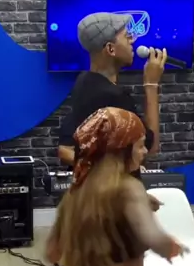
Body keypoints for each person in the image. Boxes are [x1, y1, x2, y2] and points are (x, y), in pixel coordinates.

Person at [46, 106, 187, 266]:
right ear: (121, 149)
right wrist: (171, 247)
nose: (144, 152)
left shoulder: (78, 191)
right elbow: (152, 237)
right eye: (140, 146)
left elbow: (52, 252)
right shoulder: (129, 189)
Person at [57, 12, 166, 170]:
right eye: (127, 36)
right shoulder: (114, 97)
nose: (133, 40)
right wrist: (151, 84)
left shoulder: (83, 82)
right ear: (110, 49)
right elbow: (150, 147)